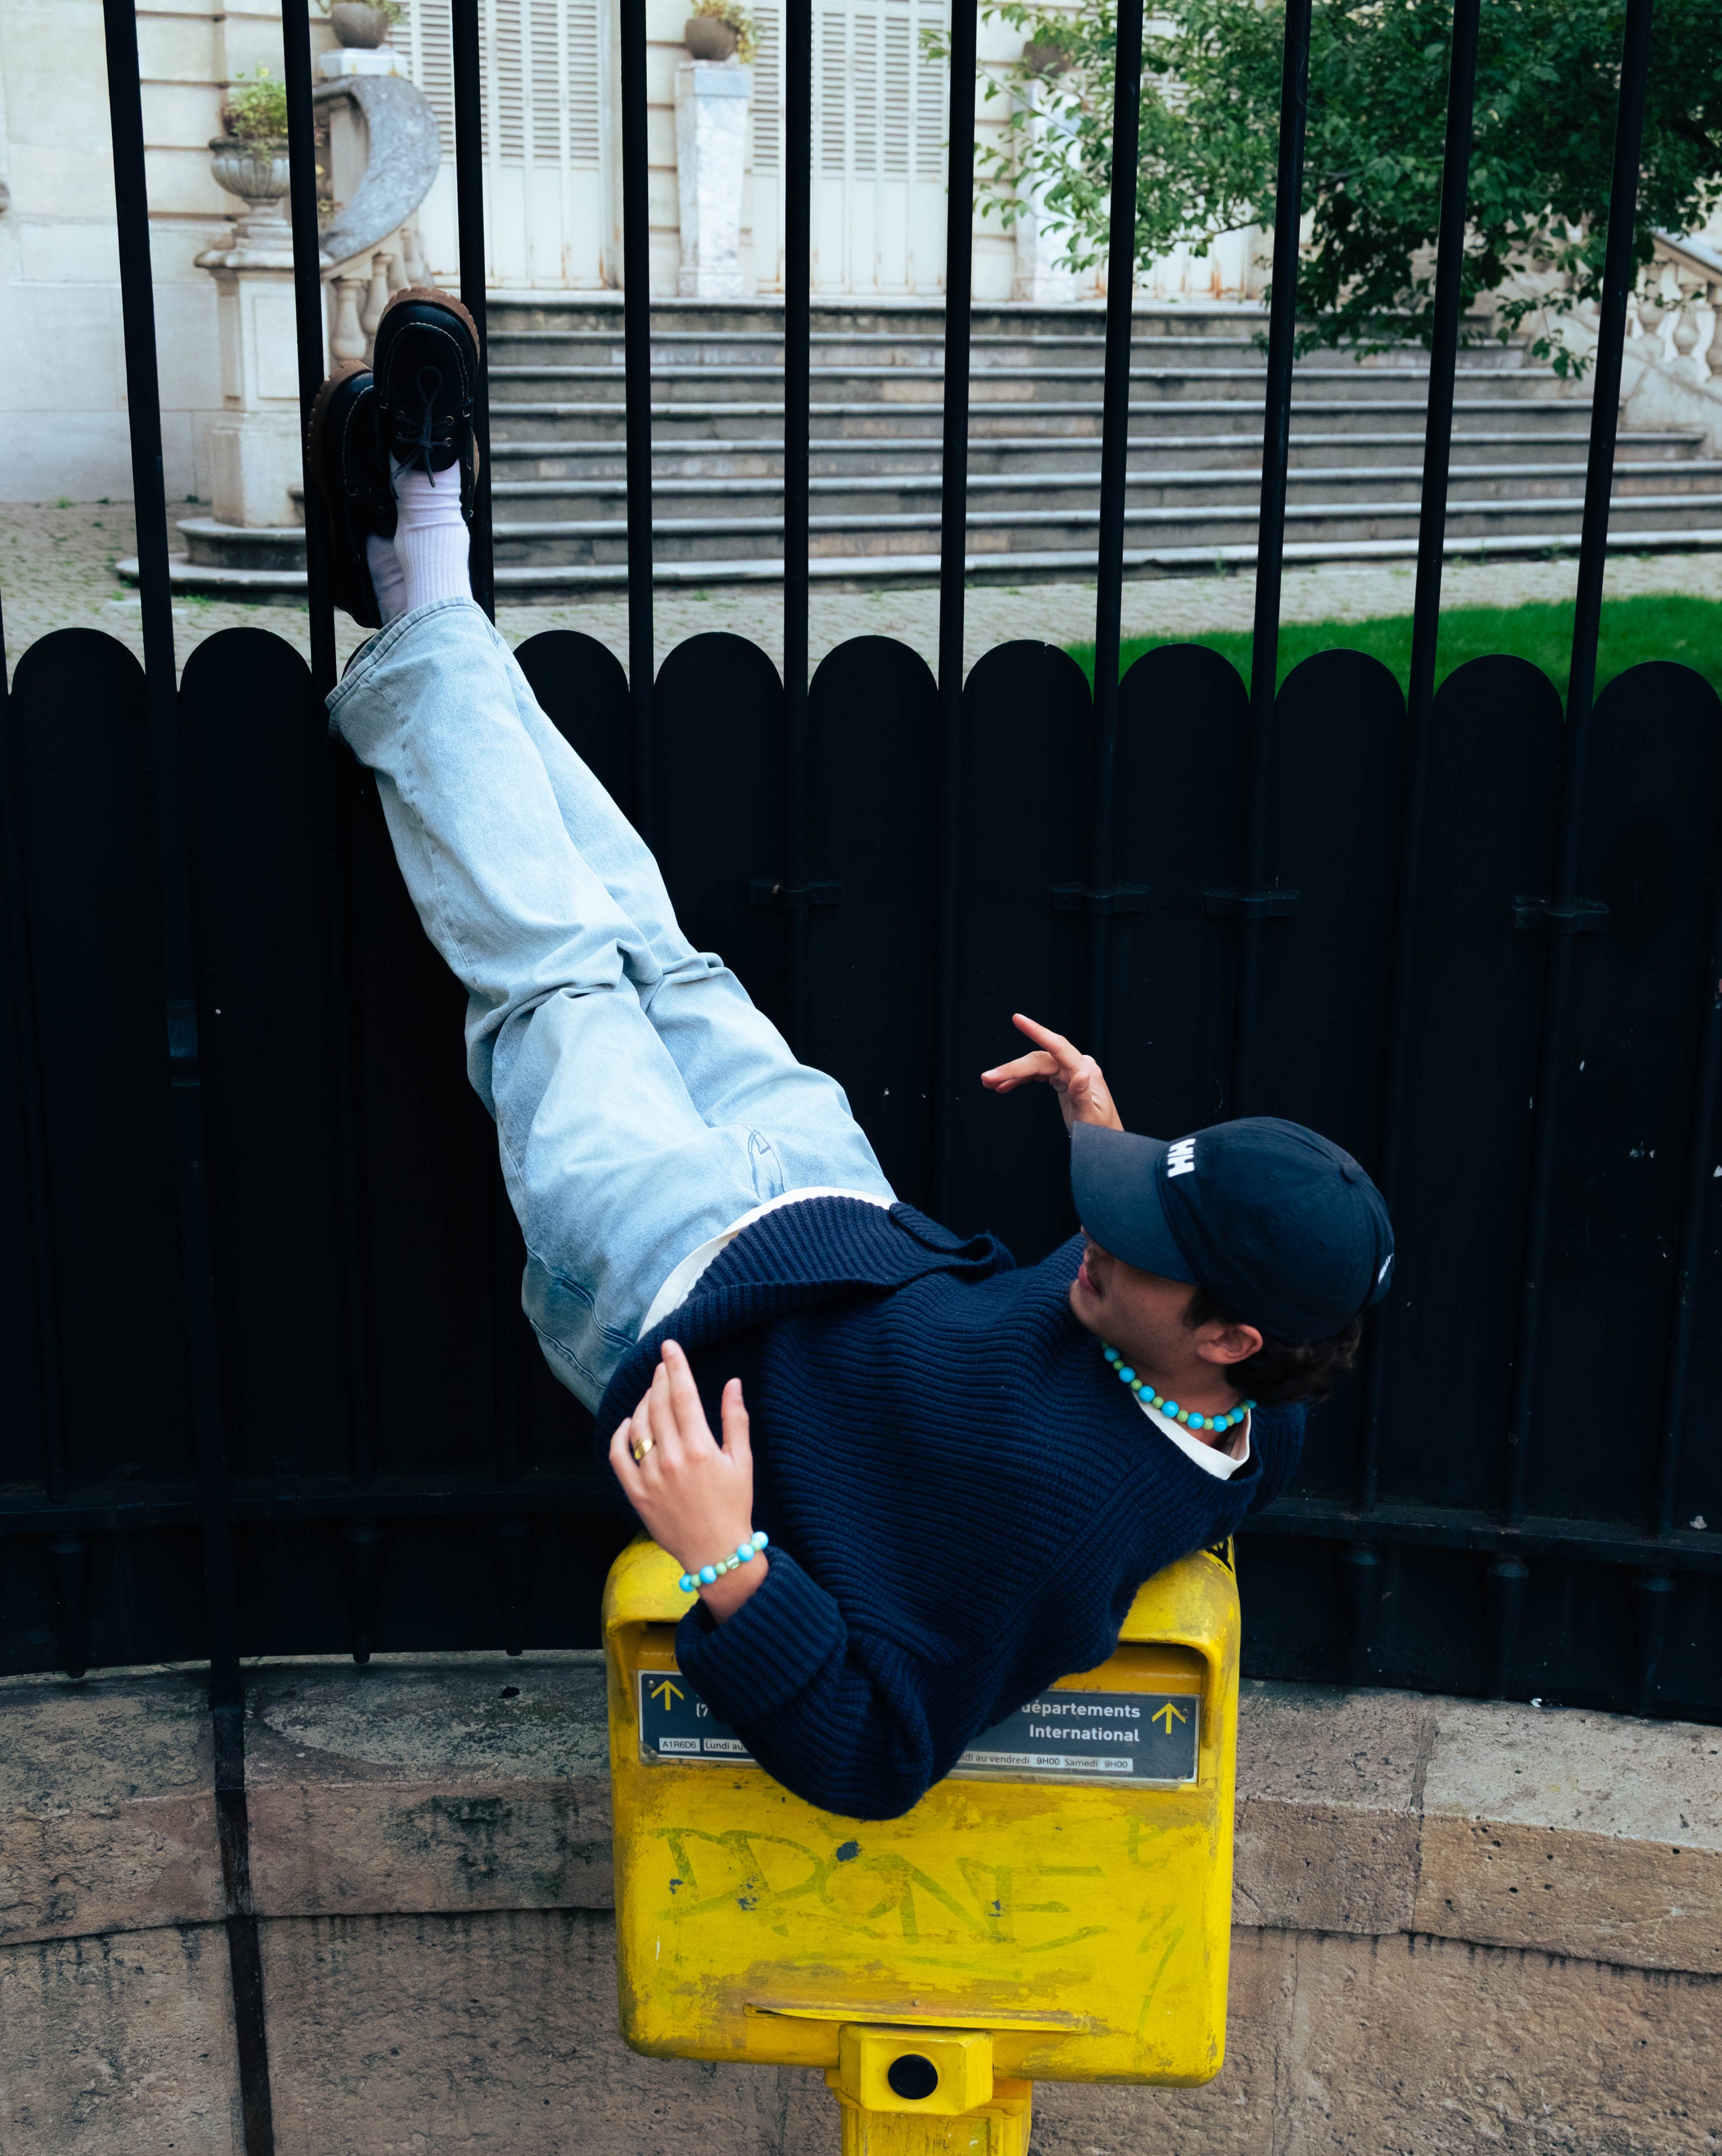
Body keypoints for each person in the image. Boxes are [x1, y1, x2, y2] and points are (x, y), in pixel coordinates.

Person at [311, 291, 1395, 1823]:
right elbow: (1250, 1393)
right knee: (647, 933)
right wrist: (1109, 1134)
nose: (1095, 1235)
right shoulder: (1258, 1408)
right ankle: (419, 587)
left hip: (670, 1285)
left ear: (1227, 1334)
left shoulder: (1067, 1529)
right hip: (825, 1201)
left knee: (551, 965)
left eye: (1141, 1241)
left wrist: (729, 1557)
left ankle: (425, 539)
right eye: (1129, 1198)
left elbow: (878, 1752)